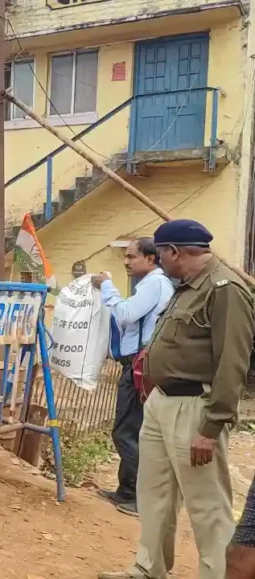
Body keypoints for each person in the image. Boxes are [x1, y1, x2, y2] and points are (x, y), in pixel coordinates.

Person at [99, 219, 255, 579]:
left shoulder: (224, 290)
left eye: (160, 253)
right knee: (154, 494)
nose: (157, 260)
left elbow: (232, 364)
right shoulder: (185, 287)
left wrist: (212, 426)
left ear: (174, 252)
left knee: (207, 505)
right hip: (161, 403)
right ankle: (148, 566)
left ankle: (217, 574)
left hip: (194, 408)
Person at [91, 238, 173, 517]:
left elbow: (126, 314)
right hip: (141, 363)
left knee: (126, 431)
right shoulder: (156, 283)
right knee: (134, 430)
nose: (126, 262)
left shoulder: (153, 283)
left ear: (150, 259)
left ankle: (138, 499)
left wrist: (107, 287)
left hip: (140, 364)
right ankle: (127, 492)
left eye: (131, 256)